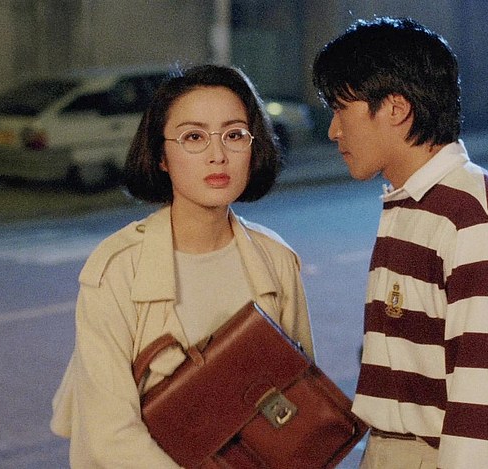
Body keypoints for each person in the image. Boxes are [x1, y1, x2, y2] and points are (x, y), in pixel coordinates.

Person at [50, 64, 314, 467]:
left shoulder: (275, 260)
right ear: (161, 156)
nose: (217, 155)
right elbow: (109, 435)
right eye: (194, 137)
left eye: (234, 135)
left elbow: (300, 397)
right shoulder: (118, 269)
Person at [311, 17, 488, 469]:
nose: (334, 131)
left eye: (342, 109)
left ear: (396, 108)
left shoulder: (477, 218)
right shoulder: (414, 203)